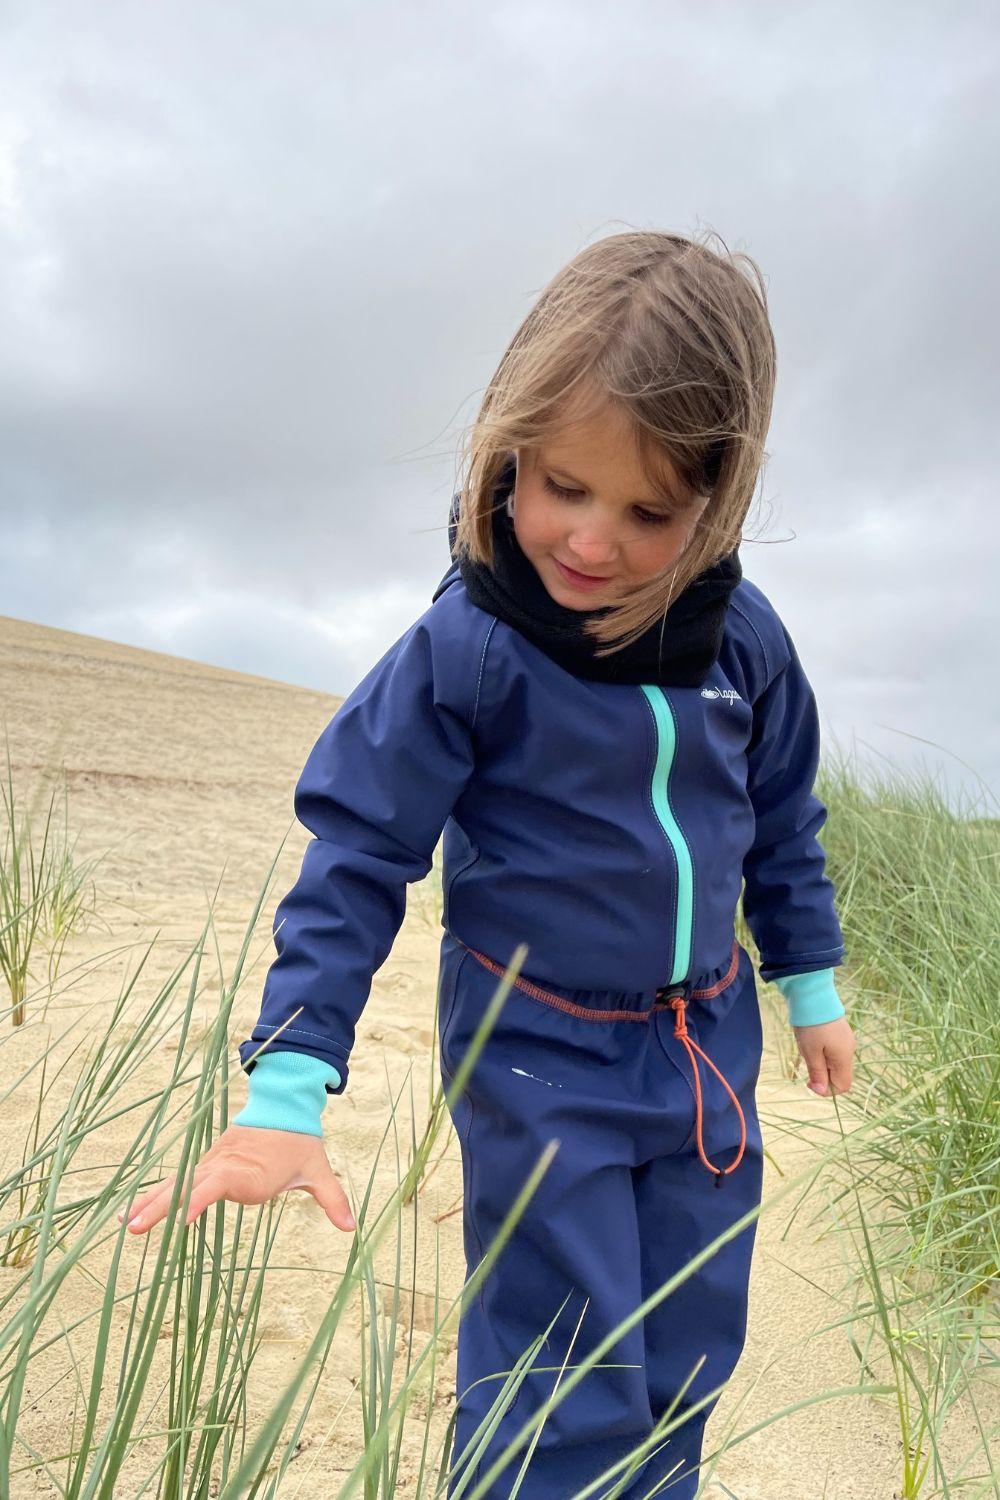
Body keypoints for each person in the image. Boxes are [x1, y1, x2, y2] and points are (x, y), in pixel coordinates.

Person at [118, 230, 856, 1498]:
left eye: (650, 512)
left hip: (708, 1047)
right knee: (562, 1368)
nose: (591, 540)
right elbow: (357, 849)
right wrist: (286, 1091)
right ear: (505, 446)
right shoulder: (470, 649)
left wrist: (813, 981)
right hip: (541, 1049)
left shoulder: (742, 643)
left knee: (685, 1343)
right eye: (562, 484)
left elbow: (780, 820)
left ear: (716, 506)